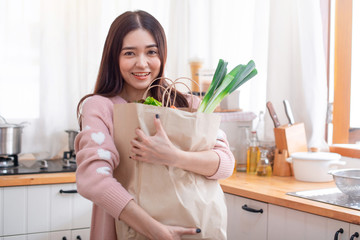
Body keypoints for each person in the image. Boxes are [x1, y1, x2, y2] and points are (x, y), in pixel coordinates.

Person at [75, 10, 235, 240]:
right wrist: (155, 230)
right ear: (114, 57)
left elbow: (225, 163)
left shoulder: (187, 103)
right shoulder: (101, 107)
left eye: (151, 52)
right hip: (126, 230)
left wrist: (173, 156)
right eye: (129, 53)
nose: (142, 63)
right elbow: (94, 179)